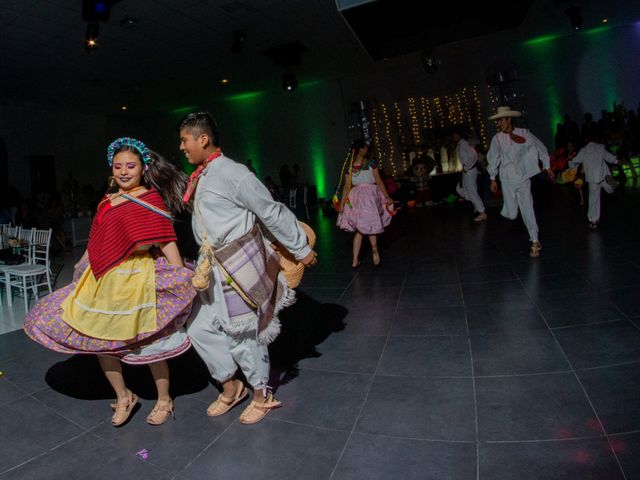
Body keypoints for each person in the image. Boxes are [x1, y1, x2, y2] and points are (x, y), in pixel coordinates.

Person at [23, 137, 196, 427]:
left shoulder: (151, 200)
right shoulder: (107, 200)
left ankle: (165, 399)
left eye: (131, 166)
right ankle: (124, 395)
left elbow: (166, 240)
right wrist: (81, 265)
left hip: (137, 278)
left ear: (143, 168)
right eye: (118, 166)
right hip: (104, 280)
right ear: (111, 168)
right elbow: (99, 239)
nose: (124, 171)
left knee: (150, 343)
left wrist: (180, 277)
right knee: (101, 344)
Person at [178, 112, 317, 424]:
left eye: (185, 140)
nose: (182, 148)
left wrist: (301, 248)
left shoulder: (232, 172)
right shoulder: (203, 174)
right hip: (212, 265)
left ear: (203, 139)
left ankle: (262, 394)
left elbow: (269, 210)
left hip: (236, 265)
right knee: (198, 327)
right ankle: (231, 385)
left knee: (243, 334)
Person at [487, 106, 551, 258]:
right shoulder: (497, 139)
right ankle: (512, 212)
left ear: (508, 119)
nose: (499, 124)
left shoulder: (525, 133)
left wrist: (547, 165)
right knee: (512, 213)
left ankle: (535, 241)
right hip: (507, 179)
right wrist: (492, 177)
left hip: (523, 178)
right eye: (497, 121)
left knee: (527, 208)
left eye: (500, 120)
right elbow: (493, 158)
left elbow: (540, 148)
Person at [336, 139, 393, 267]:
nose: (367, 150)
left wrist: (342, 203)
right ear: (361, 149)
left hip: (355, 196)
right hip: (369, 196)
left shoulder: (349, 166)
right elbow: (378, 181)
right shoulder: (371, 163)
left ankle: (355, 260)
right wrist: (387, 196)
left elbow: (346, 187)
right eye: (365, 148)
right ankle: (374, 250)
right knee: (371, 225)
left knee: (359, 230)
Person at [569, 134, 619, 229]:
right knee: (610, 190)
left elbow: (575, 161)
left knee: (593, 199)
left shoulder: (583, 150)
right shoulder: (600, 147)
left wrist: (570, 159)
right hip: (603, 175)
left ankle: (593, 221)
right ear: (595, 139)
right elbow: (608, 157)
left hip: (592, 178)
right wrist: (616, 161)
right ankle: (612, 184)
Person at [452, 127, 486, 222]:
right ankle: (477, 205)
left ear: (458, 135)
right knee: (460, 189)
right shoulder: (461, 145)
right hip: (467, 170)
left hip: (469, 171)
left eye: (454, 135)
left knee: (472, 191)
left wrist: (468, 167)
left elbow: (473, 155)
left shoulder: (463, 144)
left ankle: (482, 212)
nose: (453, 137)